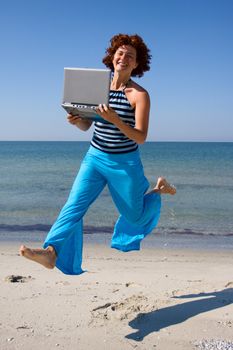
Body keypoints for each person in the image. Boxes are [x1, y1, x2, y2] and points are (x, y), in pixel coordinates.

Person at [20, 33, 176, 275]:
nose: (123, 58)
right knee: (74, 205)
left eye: (130, 56)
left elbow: (141, 137)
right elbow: (88, 125)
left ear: (137, 64)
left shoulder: (139, 95)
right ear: (112, 57)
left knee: (134, 218)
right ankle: (51, 251)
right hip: (95, 157)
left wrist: (116, 119)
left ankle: (158, 190)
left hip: (125, 165)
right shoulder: (96, 87)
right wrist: (76, 120)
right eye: (120, 53)